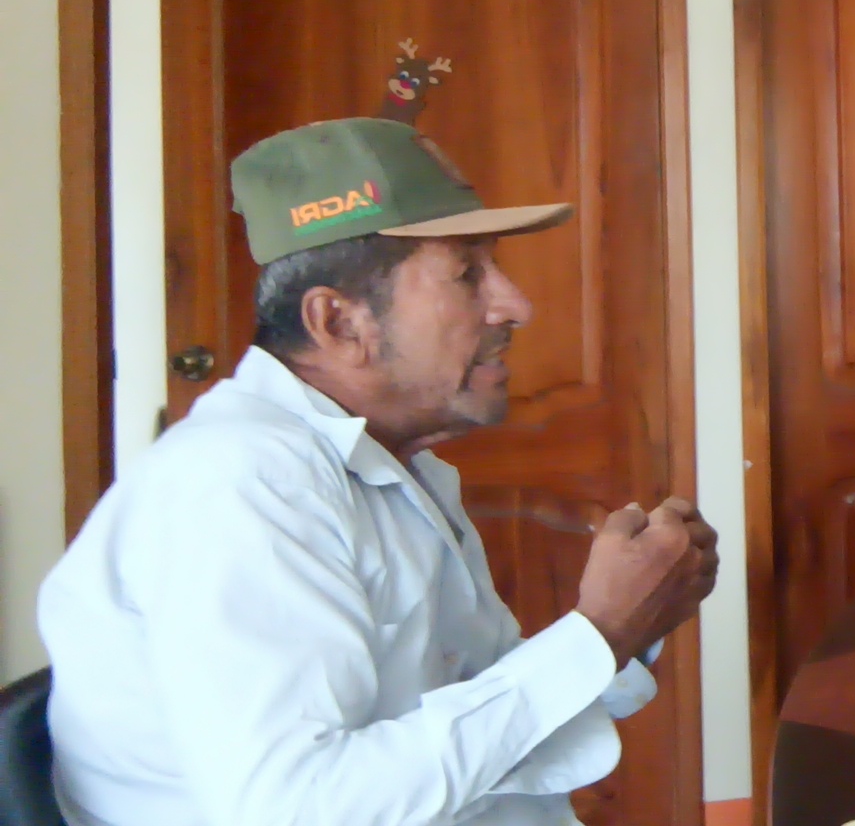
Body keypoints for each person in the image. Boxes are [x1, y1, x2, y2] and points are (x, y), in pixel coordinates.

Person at [40, 118, 719, 825]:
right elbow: (299, 809)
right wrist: (599, 632)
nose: (516, 305)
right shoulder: (242, 486)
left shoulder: (390, 465)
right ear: (338, 324)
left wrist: (626, 633)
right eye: (467, 274)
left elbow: (471, 723)